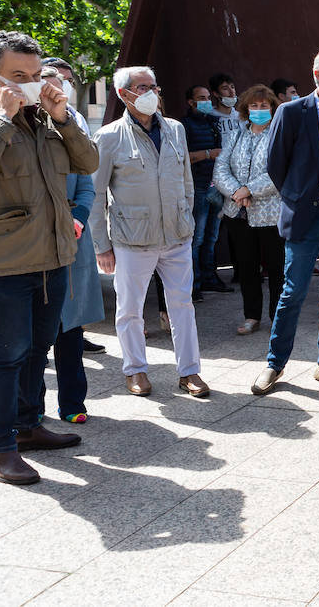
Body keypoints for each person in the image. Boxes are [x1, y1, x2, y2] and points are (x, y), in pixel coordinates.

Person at [0, 32, 99, 484]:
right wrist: (2, 118)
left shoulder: (47, 115)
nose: (30, 84)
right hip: (3, 257)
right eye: (18, 77)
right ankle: (1, 447)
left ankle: (29, 425)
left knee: (39, 347)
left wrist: (62, 116)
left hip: (52, 254)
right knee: (8, 353)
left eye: (35, 76)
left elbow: (87, 163)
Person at [93, 66, 209, 398]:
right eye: (141, 87)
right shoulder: (109, 137)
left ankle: (190, 372)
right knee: (129, 309)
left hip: (176, 235)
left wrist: (185, 217)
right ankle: (135, 370)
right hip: (133, 239)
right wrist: (102, 245)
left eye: (153, 87)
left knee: (182, 305)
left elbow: (186, 181)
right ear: (123, 94)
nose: (150, 93)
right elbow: (97, 195)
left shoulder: (175, 129)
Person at [252, 47, 319, 396]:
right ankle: (275, 364)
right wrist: (297, 197)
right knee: (292, 291)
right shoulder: (292, 112)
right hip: (306, 213)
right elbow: (275, 164)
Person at [38, 66, 104, 423]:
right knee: (32, 335)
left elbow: (88, 185)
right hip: (32, 244)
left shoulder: (72, 132)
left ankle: (73, 404)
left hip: (72, 240)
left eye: (59, 89)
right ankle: (31, 410)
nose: (54, 95)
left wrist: (76, 219)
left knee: (71, 329)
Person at [213, 85, 284, 335]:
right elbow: (221, 168)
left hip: (271, 213)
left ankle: (278, 316)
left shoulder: (279, 134)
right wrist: (236, 192)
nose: (259, 110)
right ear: (246, 109)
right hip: (237, 211)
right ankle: (251, 315)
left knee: (277, 267)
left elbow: (279, 171)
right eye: (254, 106)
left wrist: (250, 190)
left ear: (273, 108)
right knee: (246, 266)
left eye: (264, 106)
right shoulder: (235, 134)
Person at [181, 83, 230, 300]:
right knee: (197, 238)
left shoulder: (214, 122)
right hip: (197, 187)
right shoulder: (184, 126)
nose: (207, 102)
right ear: (191, 102)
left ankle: (210, 278)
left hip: (216, 186)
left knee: (212, 237)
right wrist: (209, 153)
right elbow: (184, 157)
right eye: (201, 98)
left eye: (208, 97)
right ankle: (193, 285)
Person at [208, 72, 243, 146]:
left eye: (232, 87)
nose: (231, 92)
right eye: (225, 88)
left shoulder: (241, 117)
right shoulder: (210, 118)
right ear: (216, 94)